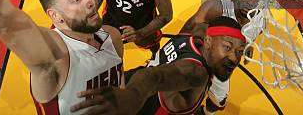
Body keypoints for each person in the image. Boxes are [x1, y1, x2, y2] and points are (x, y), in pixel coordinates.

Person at [70, 16, 247, 115]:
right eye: (227, 48)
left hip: (137, 75)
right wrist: (133, 96)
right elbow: (152, 78)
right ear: (208, 41)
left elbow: (211, 8)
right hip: (149, 105)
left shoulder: (194, 29)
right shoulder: (196, 71)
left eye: (239, 52)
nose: (233, 58)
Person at [180, 0, 260, 114]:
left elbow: (246, 38)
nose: (249, 2)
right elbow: (186, 32)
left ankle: (205, 113)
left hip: (221, 66)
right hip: (199, 57)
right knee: (182, 99)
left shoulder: (261, 20)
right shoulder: (216, 7)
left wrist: (246, 46)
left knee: (218, 101)